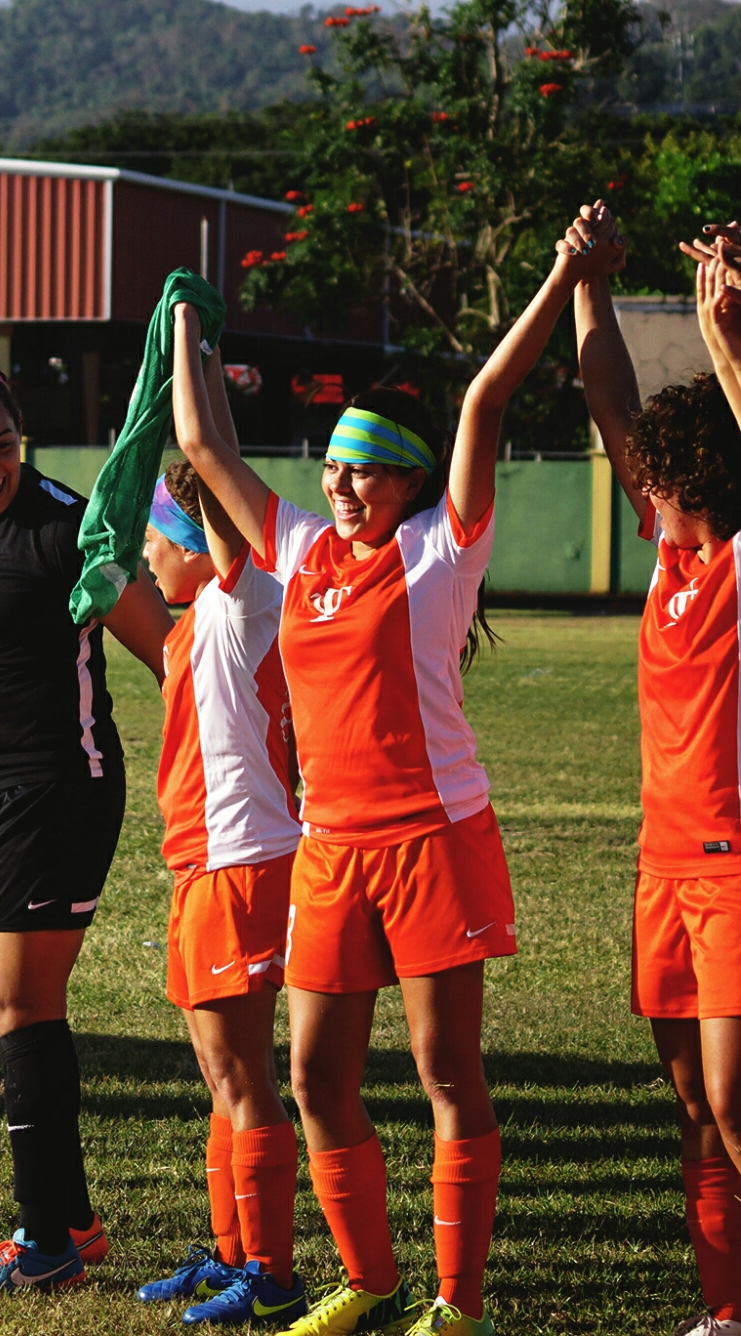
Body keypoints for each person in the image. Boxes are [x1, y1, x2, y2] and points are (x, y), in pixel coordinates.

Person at [176, 212, 614, 1336]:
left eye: (360, 473)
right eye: (328, 469)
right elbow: (209, 448)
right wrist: (182, 318)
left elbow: (480, 402)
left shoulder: (437, 552)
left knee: (441, 1068)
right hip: (328, 850)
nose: (337, 488)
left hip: (432, 839)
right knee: (317, 1076)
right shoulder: (304, 553)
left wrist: (565, 270)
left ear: (409, 484)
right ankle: (366, 1279)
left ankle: (454, 1301)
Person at [0, 307, 171, 1291]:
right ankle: (76, 1222)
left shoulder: (65, 527)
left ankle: (40, 1240)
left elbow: (169, 651)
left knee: (20, 1008)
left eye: (2, 447)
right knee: (8, 1011)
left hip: (55, 789)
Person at [580, 204, 741, 1336]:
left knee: (735, 1100)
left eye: (675, 510)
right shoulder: (668, 556)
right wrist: (585, 285)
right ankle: (722, 1310)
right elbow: (605, 404)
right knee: (689, 1104)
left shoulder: (732, 561)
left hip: (733, 873)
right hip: (658, 871)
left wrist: (727, 340)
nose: (661, 526)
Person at [137, 346, 305, 1322]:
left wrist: (189, 355)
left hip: (240, 860)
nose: (147, 555)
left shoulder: (240, 603)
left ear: (197, 541)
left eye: (160, 537)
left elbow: (209, 474)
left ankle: (270, 1271)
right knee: (217, 1073)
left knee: (241, 1072)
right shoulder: (187, 620)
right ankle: (232, 1247)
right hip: (201, 864)